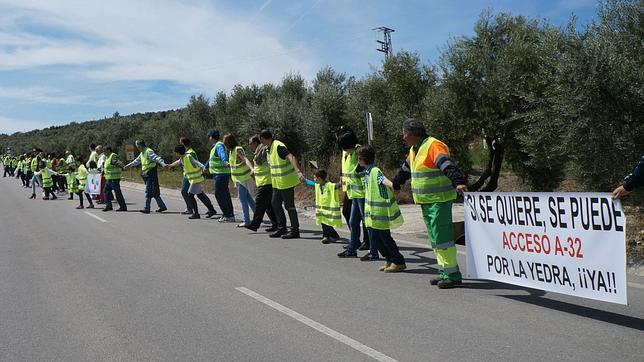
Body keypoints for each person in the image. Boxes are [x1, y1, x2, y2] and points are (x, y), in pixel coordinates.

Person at [393, 119, 468, 288]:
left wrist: (458, 181)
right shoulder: (415, 149)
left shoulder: (433, 145)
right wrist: (397, 182)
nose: (403, 137)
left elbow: (446, 165)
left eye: (404, 134)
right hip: (427, 202)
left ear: (412, 134)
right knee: (435, 239)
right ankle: (444, 271)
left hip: (439, 200)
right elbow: (406, 169)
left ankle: (453, 275)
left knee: (443, 239)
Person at [358, 145, 406, 272]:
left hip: (380, 213)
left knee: (385, 238)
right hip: (373, 213)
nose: (358, 160)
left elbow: (383, 180)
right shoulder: (367, 172)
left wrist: (393, 186)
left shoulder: (375, 171)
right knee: (376, 240)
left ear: (363, 159)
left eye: (359, 158)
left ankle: (398, 261)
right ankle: (389, 259)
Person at [259, 129, 305, 239]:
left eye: (261, 141)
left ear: (264, 139)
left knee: (289, 206)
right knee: (275, 203)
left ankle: (295, 230)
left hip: (286, 182)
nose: (261, 143)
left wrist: (298, 171)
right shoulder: (269, 149)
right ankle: (282, 228)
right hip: (277, 183)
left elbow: (291, 157)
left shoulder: (278, 146)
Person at [336, 130, 375, 260]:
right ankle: (352, 249)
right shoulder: (349, 153)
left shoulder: (359, 153)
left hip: (363, 194)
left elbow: (365, 169)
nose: (345, 151)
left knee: (367, 223)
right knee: (353, 221)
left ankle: (373, 251)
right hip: (354, 193)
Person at [166, 144, 217, 219]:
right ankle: (212, 210)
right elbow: (177, 162)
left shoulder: (188, 156)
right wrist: (170, 165)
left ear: (178, 152)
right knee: (200, 195)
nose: (175, 154)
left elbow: (196, 162)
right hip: (193, 179)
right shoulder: (182, 158)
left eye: (176, 152)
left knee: (190, 195)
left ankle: (196, 214)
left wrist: (203, 167)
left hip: (196, 179)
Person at [244, 135, 278, 232]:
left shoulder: (263, 152)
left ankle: (254, 225)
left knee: (259, 203)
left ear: (255, 143)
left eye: (250, 144)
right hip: (263, 182)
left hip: (267, 181)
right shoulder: (258, 152)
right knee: (268, 205)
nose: (249, 146)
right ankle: (276, 224)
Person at [124, 140, 168, 214]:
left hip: (151, 173)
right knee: (154, 191)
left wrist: (163, 163)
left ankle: (147, 208)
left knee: (148, 191)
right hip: (147, 174)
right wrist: (128, 165)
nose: (137, 148)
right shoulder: (142, 153)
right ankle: (162, 206)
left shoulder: (148, 151)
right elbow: (136, 161)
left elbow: (156, 158)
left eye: (137, 146)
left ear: (140, 146)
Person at [223, 133, 255, 227]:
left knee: (242, 199)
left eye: (225, 142)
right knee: (248, 198)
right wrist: (230, 165)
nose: (224, 144)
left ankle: (246, 220)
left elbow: (245, 159)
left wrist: (252, 168)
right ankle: (258, 216)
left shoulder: (237, 149)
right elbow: (236, 163)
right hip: (239, 179)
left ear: (230, 142)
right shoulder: (231, 151)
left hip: (243, 178)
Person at [206, 130, 236, 222]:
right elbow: (211, 160)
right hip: (220, 174)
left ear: (212, 137)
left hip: (220, 174)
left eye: (209, 137)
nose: (208, 139)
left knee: (219, 194)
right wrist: (205, 166)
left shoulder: (219, 146)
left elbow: (222, 155)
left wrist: (225, 161)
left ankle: (227, 215)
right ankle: (229, 214)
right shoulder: (215, 147)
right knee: (225, 194)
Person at [305, 169, 342, 244]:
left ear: (319, 178)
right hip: (322, 210)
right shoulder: (318, 185)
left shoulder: (329, 185)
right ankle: (326, 236)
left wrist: (342, 180)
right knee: (324, 223)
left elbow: (337, 185)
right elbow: (311, 183)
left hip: (328, 209)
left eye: (315, 178)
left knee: (326, 224)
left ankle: (333, 236)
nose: (314, 179)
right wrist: (304, 179)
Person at [101, 146, 127, 212]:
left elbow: (117, 162)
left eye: (104, 151)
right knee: (106, 191)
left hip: (114, 178)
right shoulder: (107, 157)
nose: (103, 152)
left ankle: (123, 207)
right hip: (109, 178)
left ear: (109, 150)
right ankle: (109, 206)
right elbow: (107, 167)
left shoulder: (113, 155)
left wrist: (123, 166)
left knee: (117, 193)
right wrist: (103, 172)